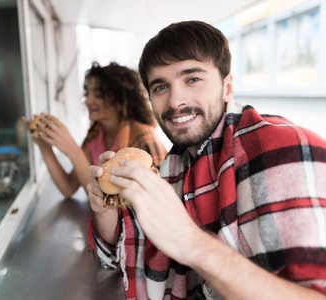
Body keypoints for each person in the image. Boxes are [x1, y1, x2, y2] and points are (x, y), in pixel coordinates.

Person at [87, 21, 326, 299]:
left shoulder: (289, 150)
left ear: (227, 88)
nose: (176, 101)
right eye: (161, 87)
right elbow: (124, 253)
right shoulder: (171, 168)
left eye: (192, 79)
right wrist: (105, 211)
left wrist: (192, 242)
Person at [23, 62, 167, 198]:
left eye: (97, 95)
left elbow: (162, 194)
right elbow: (68, 188)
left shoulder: (143, 136)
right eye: (87, 94)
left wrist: (73, 149)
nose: (87, 101)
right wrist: (44, 146)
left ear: (120, 100)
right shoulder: (96, 135)